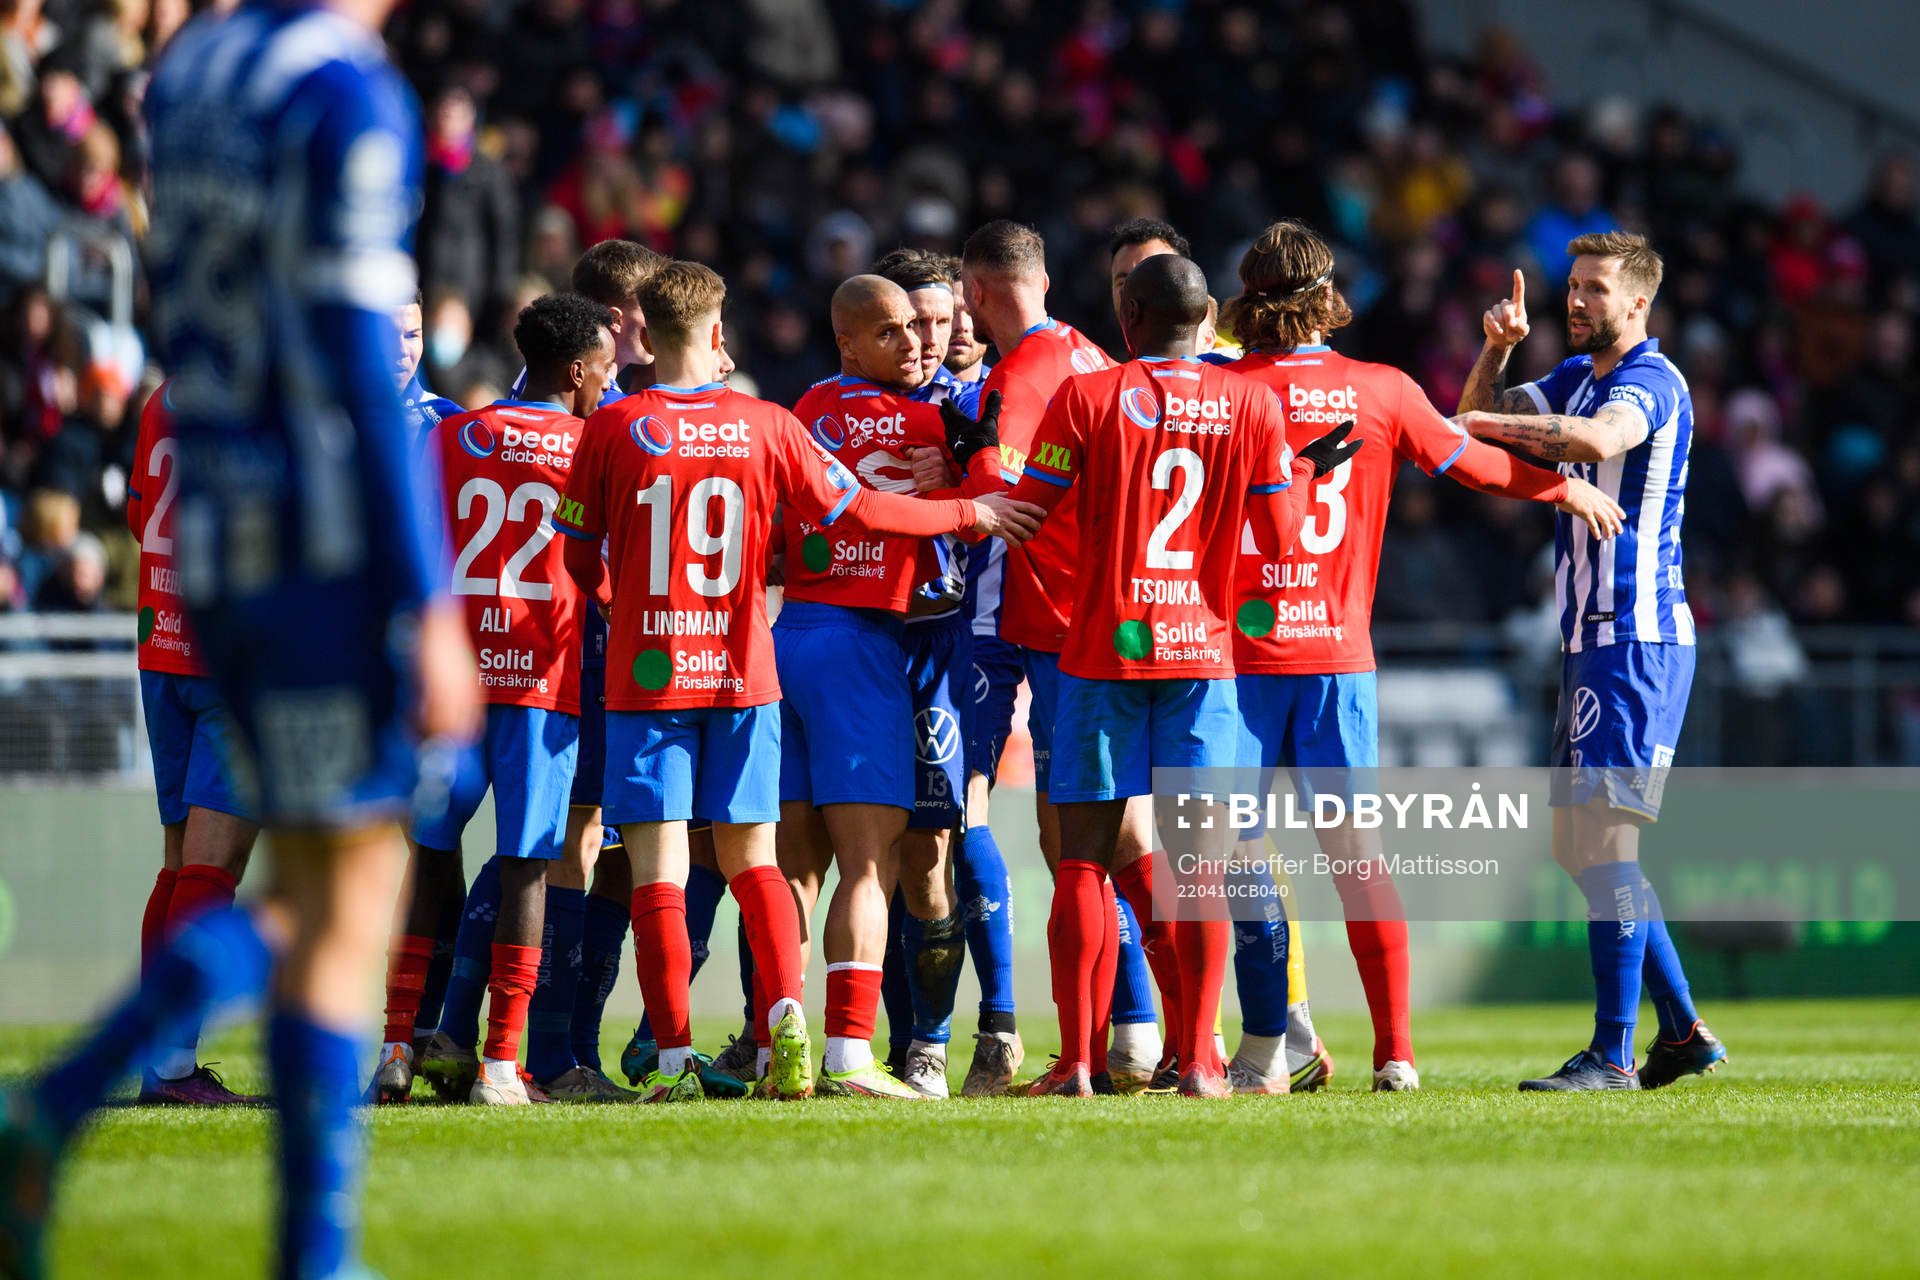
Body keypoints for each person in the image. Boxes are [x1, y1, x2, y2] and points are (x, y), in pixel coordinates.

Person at [1, 2, 484, 1275]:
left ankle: (295, 1240)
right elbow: (354, 364)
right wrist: (428, 599)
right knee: (344, 892)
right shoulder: (343, 91)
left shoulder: (196, 64)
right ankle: (97, 1132)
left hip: (215, 528)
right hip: (319, 545)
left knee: (330, 886)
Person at [556, 261, 1041, 1103]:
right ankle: (811, 1033)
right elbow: (859, 511)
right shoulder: (769, 425)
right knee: (765, 865)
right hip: (747, 672)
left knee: (661, 873)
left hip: (653, 676)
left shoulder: (614, 427)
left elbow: (574, 553)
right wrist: (970, 511)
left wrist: (621, 603)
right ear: (715, 337)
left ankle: (673, 1060)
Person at [1225, 219, 1624, 1093]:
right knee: (1357, 861)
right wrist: (1563, 487)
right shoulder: (1381, 389)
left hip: (1236, 662)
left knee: (1240, 858)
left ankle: (1263, 1054)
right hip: (1335, 659)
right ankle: (1396, 1054)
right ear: (1331, 300)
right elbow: (1479, 466)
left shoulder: (1219, 389)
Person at [1001, 253, 1361, 1098]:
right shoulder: (1252, 403)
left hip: (1100, 655)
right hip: (1203, 661)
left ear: (1128, 314)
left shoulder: (1086, 397)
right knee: (1198, 864)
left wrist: (984, 474)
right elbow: (1279, 541)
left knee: (1084, 863)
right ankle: (1202, 1061)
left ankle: (1081, 1065)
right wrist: (1304, 473)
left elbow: (1030, 511)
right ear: (1205, 321)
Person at [1455, 231, 1727, 1091]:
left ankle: (1612, 1054)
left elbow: (1596, 443)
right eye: (1573, 287)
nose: (1576, 302)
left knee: (1606, 844)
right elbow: (1481, 427)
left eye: (1596, 290)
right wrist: (1495, 352)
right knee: (1578, 850)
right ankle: (1681, 1032)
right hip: (1589, 642)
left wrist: (1477, 422)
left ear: (1639, 302)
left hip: (1637, 639)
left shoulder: (1652, 381)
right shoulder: (1575, 374)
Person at [778, 273, 1011, 1099]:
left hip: (912, 642)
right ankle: (836, 1048)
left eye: (925, 326)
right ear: (848, 340)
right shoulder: (922, 418)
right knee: (857, 860)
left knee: (924, 857)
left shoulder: (811, 411)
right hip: (870, 641)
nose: (915, 342)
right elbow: (998, 500)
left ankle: (918, 1045)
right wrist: (966, 486)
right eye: (894, 331)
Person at [378, 293, 615, 1105]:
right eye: (606, 370)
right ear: (577, 370)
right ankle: (501, 1066)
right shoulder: (591, 445)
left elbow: (412, 539)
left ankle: (396, 1048)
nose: (607, 385)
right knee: (526, 867)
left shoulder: (452, 433)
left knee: (431, 855)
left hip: (457, 678)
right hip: (542, 685)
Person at [962, 220, 1178, 1093]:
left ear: (975, 295)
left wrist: (959, 460)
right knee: (1127, 841)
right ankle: (1155, 1035)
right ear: (1044, 279)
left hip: (1058, 629)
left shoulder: (1017, 380)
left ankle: (1106, 1045)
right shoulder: (1093, 355)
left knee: (1076, 847)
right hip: (1119, 615)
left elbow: (1001, 505)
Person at [869, 247, 1017, 1096]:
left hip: (966, 645)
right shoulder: (853, 407)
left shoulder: (980, 404)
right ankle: (897, 1041)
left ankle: (991, 1026)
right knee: (881, 843)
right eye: (914, 323)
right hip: (866, 645)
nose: (932, 336)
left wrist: (960, 480)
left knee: (957, 825)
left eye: (942, 318)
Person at [125, 379, 260, 1106]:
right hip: (226, 658)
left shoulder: (162, 399)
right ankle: (172, 1068)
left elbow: (138, 512)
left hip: (161, 644)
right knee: (216, 862)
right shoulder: (262, 396)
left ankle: (160, 1058)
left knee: (179, 858)